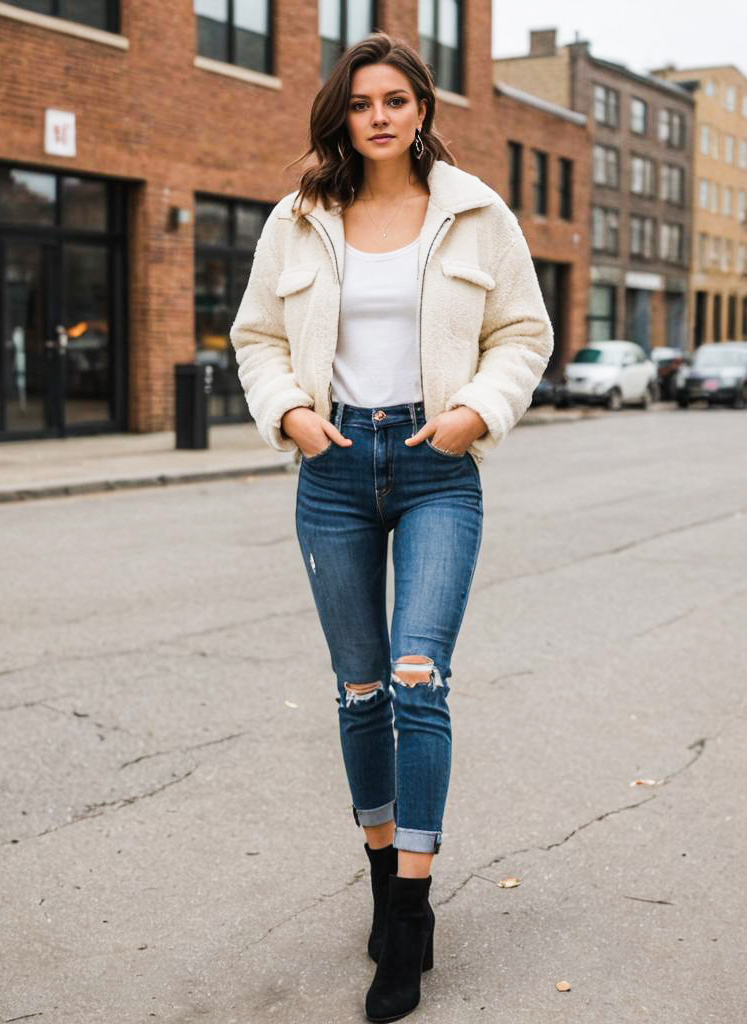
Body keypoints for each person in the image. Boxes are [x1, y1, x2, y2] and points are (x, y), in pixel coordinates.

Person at [230, 31, 553, 1023]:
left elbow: (523, 331)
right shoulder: (300, 218)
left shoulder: (474, 213)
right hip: (331, 470)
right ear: (346, 111)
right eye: (362, 101)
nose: (379, 115)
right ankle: (380, 876)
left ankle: (410, 912)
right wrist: (289, 412)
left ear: (422, 110)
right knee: (361, 689)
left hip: (435, 466)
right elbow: (258, 335)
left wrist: (478, 412)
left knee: (419, 679)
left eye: (396, 100)